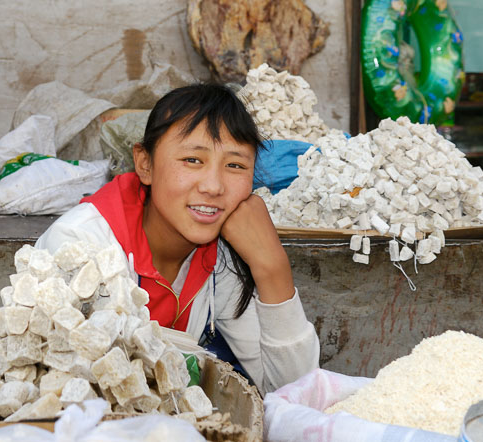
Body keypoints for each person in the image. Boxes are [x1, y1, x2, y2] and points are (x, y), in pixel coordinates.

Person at [35, 83, 319, 394]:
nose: (213, 186)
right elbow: (74, 392)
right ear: (145, 164)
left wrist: (272, 267)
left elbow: (296, 395)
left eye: (235, 165)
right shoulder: (80, 246)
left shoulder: (220, 254)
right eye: (192, 160)